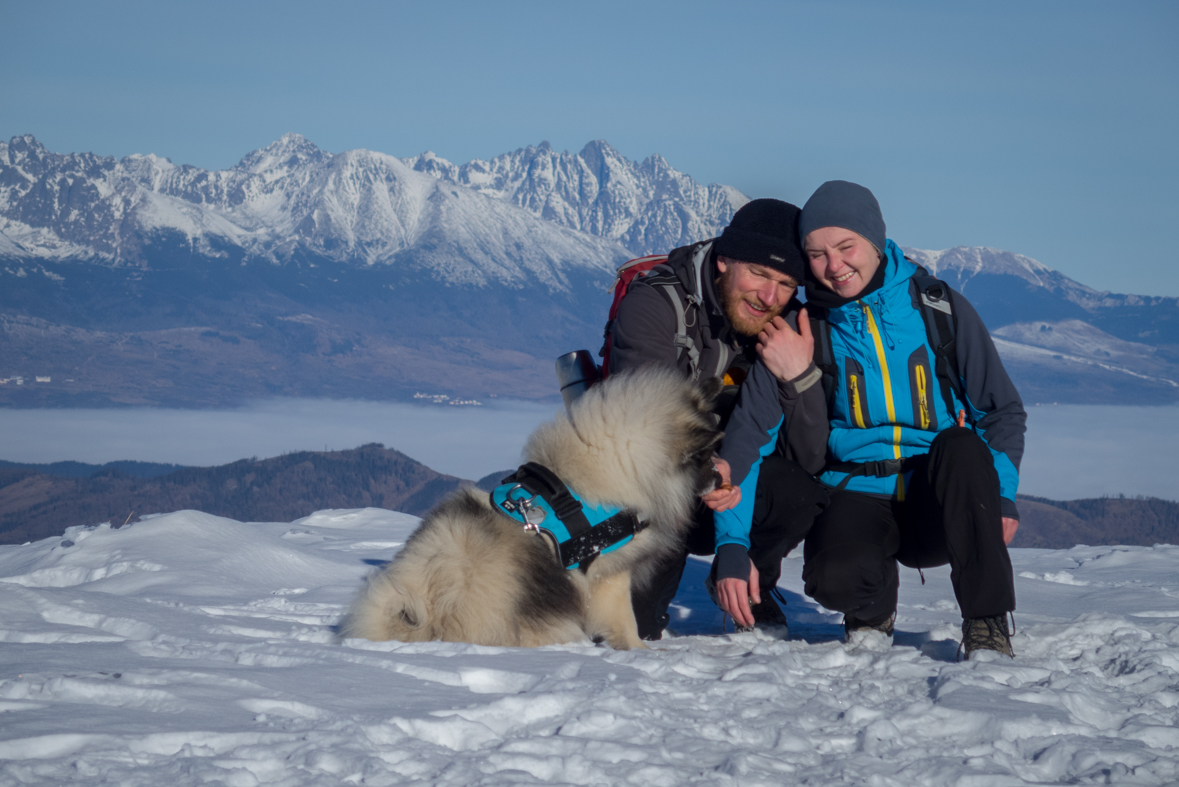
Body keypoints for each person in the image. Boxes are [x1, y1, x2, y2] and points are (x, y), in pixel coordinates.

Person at [790, 180, 1026, 658]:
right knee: (831, 576)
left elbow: (999, 409)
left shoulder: (939, 308)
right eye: (816, 254)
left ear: (875, 243)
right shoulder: (809, 324)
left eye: (845, 246)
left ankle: (986, 622)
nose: (834, 266)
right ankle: (872, 605)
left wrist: (1000, 496)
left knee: (960, 445)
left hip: (936, 494)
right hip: (856, 489)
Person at [609, 198, 830, 639]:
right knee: (632, 629)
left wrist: (801, 377)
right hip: (648, 485)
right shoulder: (656, 305)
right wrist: (710, 474)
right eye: (759, 274)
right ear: (724, 261)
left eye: (786, 283)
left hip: (724, 483)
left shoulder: (784, 326)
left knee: (797, 492)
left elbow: (807, 452)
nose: (768, 297)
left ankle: (751, 583)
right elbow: (654, 429)